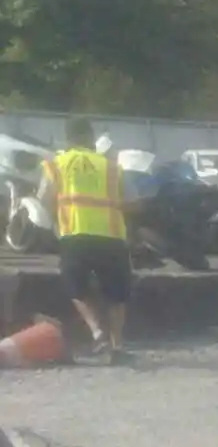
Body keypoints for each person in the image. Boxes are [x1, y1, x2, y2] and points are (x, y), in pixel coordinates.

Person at [38, 117, 132, 362]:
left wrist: (55, 224)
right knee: (116, 294)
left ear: (68, 139)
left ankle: (97, 331)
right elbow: (129, 200)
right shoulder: (111, 166)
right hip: (112, 236)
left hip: (75, 233)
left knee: (76, 286)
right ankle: (118, 347)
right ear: (91, 138)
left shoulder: (56, 164)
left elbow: (44, 198)